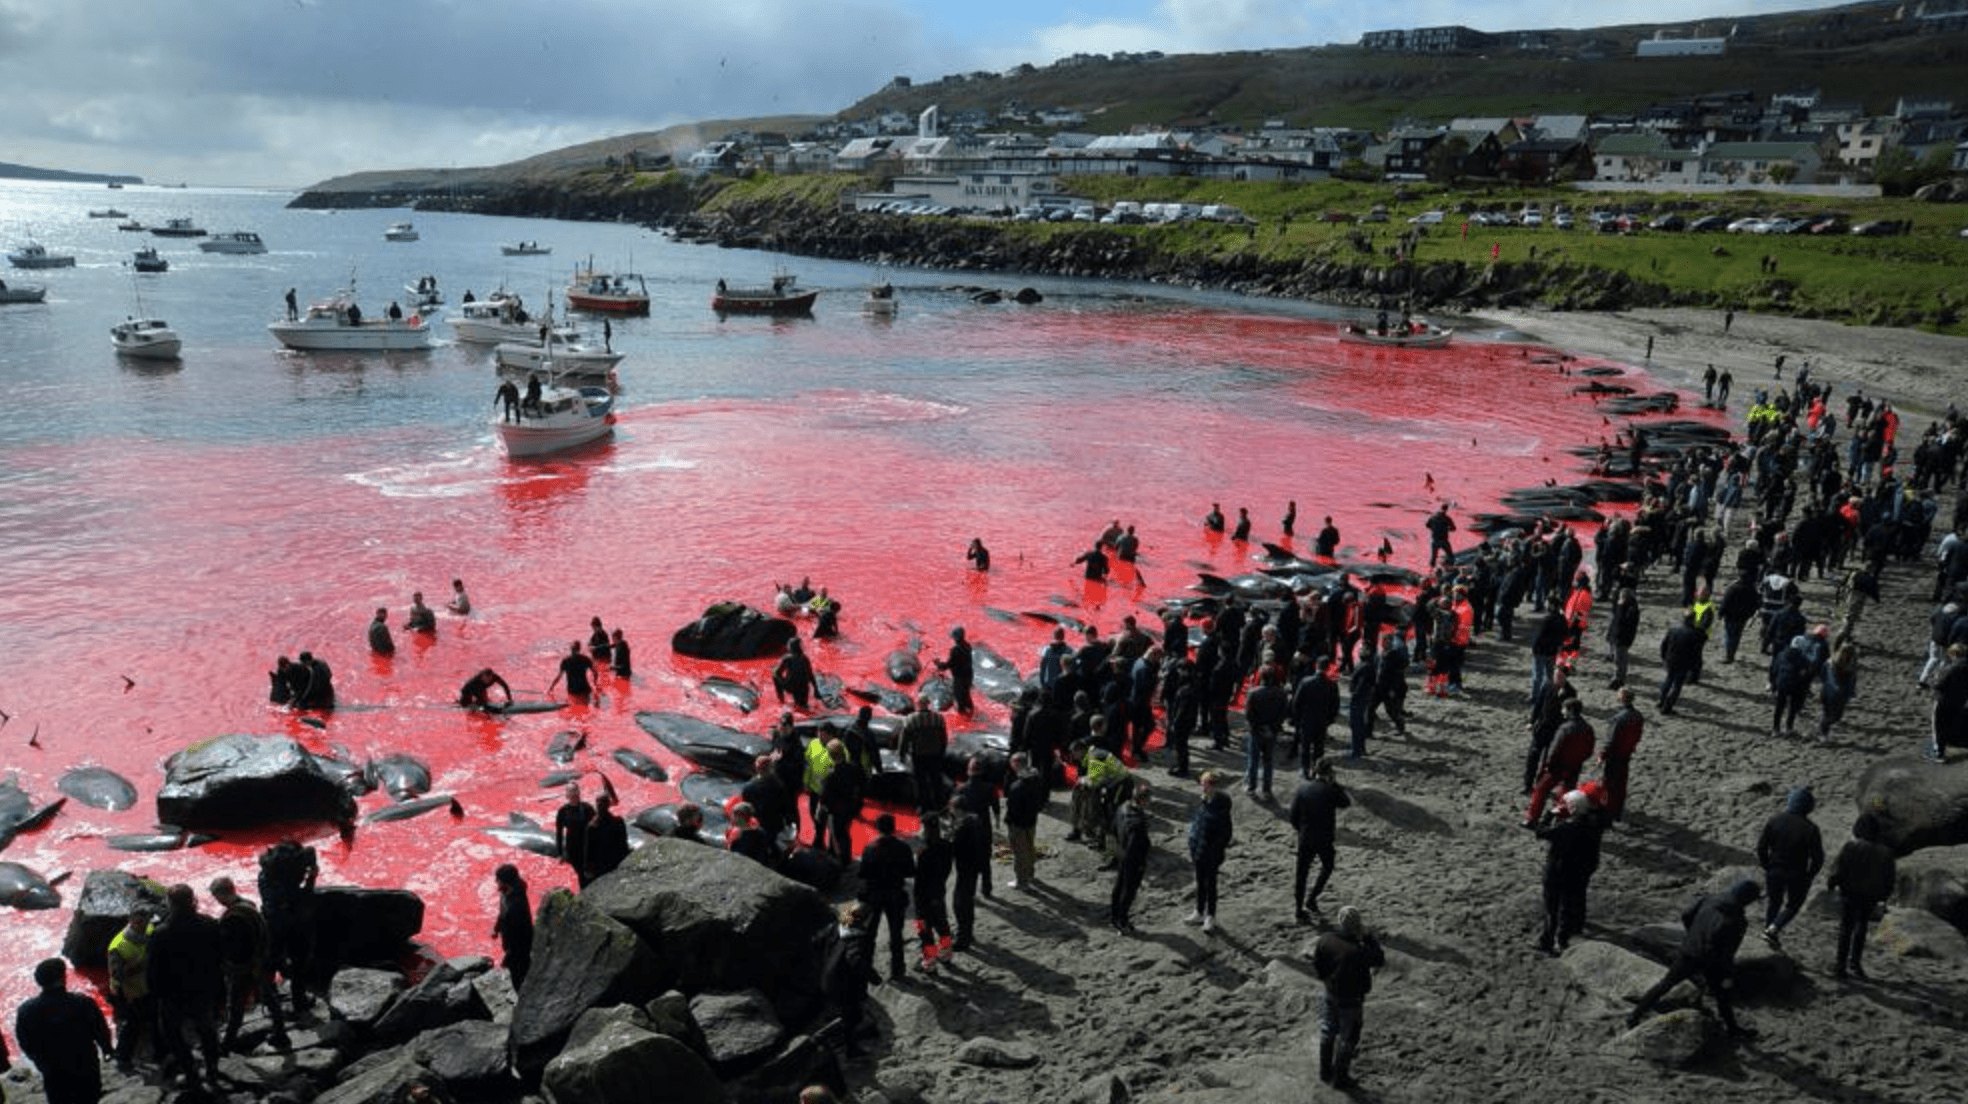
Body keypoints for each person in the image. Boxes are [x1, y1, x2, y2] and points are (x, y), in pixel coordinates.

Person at [1626, 879, 1761, 1038]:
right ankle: (1732, 1029)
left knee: (1665, 984)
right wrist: (1727, 973)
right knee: (1722, 994)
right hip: (1712, 961)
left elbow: (1686, 915)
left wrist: (1693, 935)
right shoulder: (1738, 920)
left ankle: (1634, 1015)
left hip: (1688, 951)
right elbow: (1727, 952)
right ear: (1747, 899)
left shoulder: (1710, 899)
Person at [146, 883, 225, 1088]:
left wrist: (155, 995)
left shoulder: (160, 933)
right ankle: (212, 1069)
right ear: (192, 900)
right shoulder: (209, 924)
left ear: (169, 903)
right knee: (207, 1032)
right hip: (203, 990)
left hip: (173, 995)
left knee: (172, 1035)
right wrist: (220, 992)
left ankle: (190, 1070)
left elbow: (153, 970)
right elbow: (219, 959)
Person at [13, 957, 112, 1104]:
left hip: (53, 1071)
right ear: (63, 977)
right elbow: (100, 1030)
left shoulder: (26, 1010)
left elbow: (24, 1042)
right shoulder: (82, 1002)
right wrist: (107, 1050)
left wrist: (39, 1061)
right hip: (85, 1065)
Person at [209, 877, 288, 1053]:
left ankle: (227, 1044)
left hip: (245, 968)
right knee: (269, 998)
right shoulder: (248, 905)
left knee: (235, 1006)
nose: (217, 901)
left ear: (221, 894)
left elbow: (235, 949)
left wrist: (228, 966)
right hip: (261, 960)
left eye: (216, 897)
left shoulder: (232, 917)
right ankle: (281, 1032)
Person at [1311, 906, 1385, 1090]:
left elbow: (1318, 967)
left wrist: (1327, 980)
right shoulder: (1359, 951)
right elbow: (1379, 958)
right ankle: (1340, 1079)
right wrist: (1368, 937)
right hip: (1352, 1000)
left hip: (1330, 993)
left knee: (1327, 1030)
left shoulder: (1325, 939)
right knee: (1348, 1038)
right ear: (1357, 926)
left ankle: (1324, 1072)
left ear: (1339, 922)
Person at [1534, 790, 1608, 954]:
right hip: (1582, 869)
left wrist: (1549, 814)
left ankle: (1548, 940)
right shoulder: (1595, 825)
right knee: (1576, 899)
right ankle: (1573, 931)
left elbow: (1541, 832)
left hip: (1559, 870)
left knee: (1552, 906)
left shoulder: (1567, 828)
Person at [1826, 813, 1896, 979]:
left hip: (1850, 892)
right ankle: (1855, 962)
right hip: (1870, 895)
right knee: (1861, 925)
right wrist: (1884, 896)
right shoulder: (1886, 852)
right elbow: (1889, 878)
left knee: (1846, 927)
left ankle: (1840, 964)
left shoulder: (1851, 847)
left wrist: (1832, 883)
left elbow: (1840, 869)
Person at [1755, 785, 1824, 949]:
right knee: (1793, 905)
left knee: (1774, 903)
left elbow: (1761, 847)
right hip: (1797, 873)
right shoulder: (1811, 828)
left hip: (1774, 869)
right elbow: (1818, 858)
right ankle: (1773, 930)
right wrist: (1810, 875)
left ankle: (1769, 932)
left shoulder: (1774, 820)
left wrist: (1766, 865)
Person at [256, 839, 319, 1014]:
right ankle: (299, 1001)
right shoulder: (290, 882)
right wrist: (311, 879)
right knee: (299, 962)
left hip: (271, 922)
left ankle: (270, 998)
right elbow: (304, 898)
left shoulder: (264, 875)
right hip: (292, 924)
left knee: (271, 961)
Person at [1290, 758, 1350, 923]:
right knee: (1328, 866)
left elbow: (1293, 817)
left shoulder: (1302, 788)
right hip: (1324, 838)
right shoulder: (1330, 790)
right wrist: (1335, 784)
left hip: (1306, 837)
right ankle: (1312, 898)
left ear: (1314, 770)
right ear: (1329, 773)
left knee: (1301, 874)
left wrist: (1302, 830)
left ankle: (1298, 910)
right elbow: (1346, 802)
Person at [856, 813, 914, 978]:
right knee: (896, 935)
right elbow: (910, 872)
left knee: (869, 934)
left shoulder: (870, 847)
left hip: (874, 895)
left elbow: (863, 874)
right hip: (895, 893)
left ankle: (866, 967)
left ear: (877, 827)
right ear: (893, 827)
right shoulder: (903, 847)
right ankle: (897, 970)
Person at [817, 902, 876, 1058]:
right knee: (853, 1017)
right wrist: (873, 977)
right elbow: (856, 961)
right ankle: (848, 1048)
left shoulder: (835, 927)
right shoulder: (857, 938)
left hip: (827, 978)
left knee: (839, 1013)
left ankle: (837, 1039)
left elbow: (817, 941)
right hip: (844, 985)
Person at [104, 908, 156, 1074]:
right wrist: (142, 965)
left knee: (153, 1018)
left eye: (145, 922)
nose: (143, 926)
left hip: (146, 986)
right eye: (139, 922)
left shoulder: (150, 931)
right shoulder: (118, 946)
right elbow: (117, 974)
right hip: (127, 991)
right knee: (131, 1026)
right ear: (130, 921)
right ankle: (123, 1058)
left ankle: (156, 1051)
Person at [1186, 770, 1233, 932]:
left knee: (1210, 884)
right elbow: (1198, 825)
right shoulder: (1205, 802)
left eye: (1204, 784)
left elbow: (1226, 834)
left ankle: (1210, 916)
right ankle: (1199, 911)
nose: (1202, 787)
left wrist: (1215, 851)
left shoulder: (1220, 808)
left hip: (1211, 855)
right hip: (1199, 851)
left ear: (1213, 786)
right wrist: (1193, 844)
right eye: (1201, 783)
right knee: (1200, 882)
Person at [1109, 781, 1152, 933]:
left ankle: (1114, 917)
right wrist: (1140, 864)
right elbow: (1136, 847)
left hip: (1120, 852)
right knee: (1128, 891)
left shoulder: (1122, 808)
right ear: (1143, 801)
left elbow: (1113, 829)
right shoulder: (1138, 823)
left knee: (1118, 887)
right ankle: (1122, 921)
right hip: (1132, 860)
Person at [1597, 688, 1644, 822]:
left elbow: (1610, 740)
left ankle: (1608, 810)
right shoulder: (1638, 715)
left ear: (1622, 698)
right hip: (1626, 753)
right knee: (1621, 783)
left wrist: (1602, 755)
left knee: (1610, 782)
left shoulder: (1618, 718)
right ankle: (1618, 810)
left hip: (1615, 754)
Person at [1243, 665, 1287, 801]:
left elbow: (1249, 715)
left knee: (1253, 760)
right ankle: (1266, 790)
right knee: (1268, 761)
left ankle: (1251, 787)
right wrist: (1272, 727)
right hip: (1271, 732)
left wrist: (1260, 727)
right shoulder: (1281, 694)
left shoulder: (1253, 693)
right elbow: (1283, 714)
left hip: (1256, 731)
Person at [1003, 752, 1045, 889]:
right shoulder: (1036, 779)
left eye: (1012, 763)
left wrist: (1008, 820)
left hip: (1018, 824)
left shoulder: (1017, 786)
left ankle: (1021, 881)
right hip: (1031, 820)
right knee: (1030, 847)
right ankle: (1030, 874)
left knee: (1020, 853)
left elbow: (1012, 808)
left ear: (1017, 764)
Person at [902, 697, 949, 814]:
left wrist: (902, 754)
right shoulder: (938, 718)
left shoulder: (910, 719)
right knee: (936, 780)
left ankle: (924, 806)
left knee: (920, 782)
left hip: (919, 755)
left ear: (917, 705)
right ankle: (940, 804)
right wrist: (942, 751)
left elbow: (903, 740)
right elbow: (944, 738)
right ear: (928, 704)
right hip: (935, 755)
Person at [492, 864, 533, 986]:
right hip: (511, 944)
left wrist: (508, 957)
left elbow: (518, 936)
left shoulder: (516, 905)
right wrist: (496, 928)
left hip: (519, 948)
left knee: (518, 975)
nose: (496, 882)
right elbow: (502, 913)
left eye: (498, 879)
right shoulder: (506, 893)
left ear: (506, 882)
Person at [553, 782, 594, 885]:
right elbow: (559, 833)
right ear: (567, 795)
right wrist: (560, 853)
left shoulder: (587, 808)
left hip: (588, 845)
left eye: (575, 791)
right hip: (573, 848)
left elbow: (596, 826)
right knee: (581, 874)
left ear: (579, 793)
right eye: (571, 792)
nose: (574, 794)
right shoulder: (563, 811)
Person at [586, 793, 630, 882]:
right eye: (599, 804)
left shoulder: (593, 826)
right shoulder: (593, 826)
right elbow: (589, 850)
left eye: (602, 804)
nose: (600, 807)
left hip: (609, 863)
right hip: (606, 863)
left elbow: (623, 843)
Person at [935, 626, 974, 715]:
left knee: (959, 697)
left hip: (960, 677)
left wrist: (939, 664)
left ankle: (963, 714)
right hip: (969, 676)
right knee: (966, 695)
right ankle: (971, 711)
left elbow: (949, 664)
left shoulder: (955, 650)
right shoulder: (968, 646)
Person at [772, 638, 820, 711]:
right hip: (803, 688)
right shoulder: (805, 658)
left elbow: (778, 673)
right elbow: (810, 675)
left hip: (792, 687)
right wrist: (816, 689)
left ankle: (781, 701)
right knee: (803, 706)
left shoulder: (786, 659)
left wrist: (781, 679)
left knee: (775, 677)